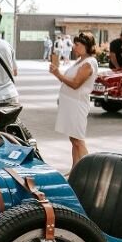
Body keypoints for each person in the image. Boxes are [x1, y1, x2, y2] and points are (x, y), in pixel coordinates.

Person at [50, 32, 99, 166]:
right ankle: (75, 168)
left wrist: (58, 74)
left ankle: (89, 169)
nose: (73, 47)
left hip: (77, 105)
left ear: (86, 46)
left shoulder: (88, 63)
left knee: (78, 140)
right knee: (74, 139)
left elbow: (75, 84)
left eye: (77, 45)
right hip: (72, 104)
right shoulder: (81, 60)